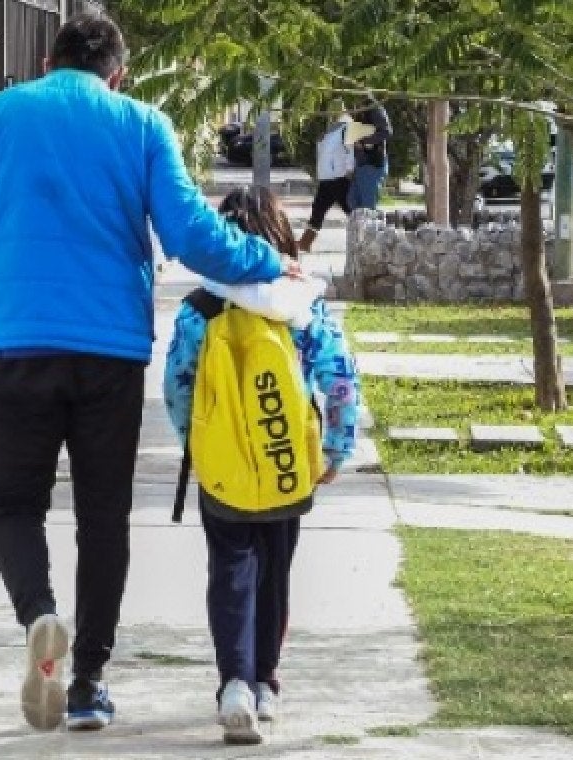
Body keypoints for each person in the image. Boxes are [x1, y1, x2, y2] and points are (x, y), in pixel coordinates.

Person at [0, 12, 292, 732]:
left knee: (15, 503)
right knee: (102, 518)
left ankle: (40, 615)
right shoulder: (142, 123)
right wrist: (268, 260)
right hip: (111, 352)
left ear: (48, 61)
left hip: (18, 346)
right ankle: (87, 684)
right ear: (118, 74)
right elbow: (189, 233)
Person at [163, 186, 360, 745]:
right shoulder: (302, 304)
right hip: (286, 460)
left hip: (224, 463)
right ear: (280, 236)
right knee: (275, 567)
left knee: (230, 567)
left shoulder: (202, 307)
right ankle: (267, 682)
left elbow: (178, 384)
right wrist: (336, 449)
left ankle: (234, 685)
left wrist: (196, 443)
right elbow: (340, 378)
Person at [299, 103, 355, 253]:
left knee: (349, 209)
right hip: (327, 176)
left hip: (338, 175)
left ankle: (365, 237)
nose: (331, 112)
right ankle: (306, 242)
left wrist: (349, 169)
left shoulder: (347, 126)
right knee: (318, 208)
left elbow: (349, 148)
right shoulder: (332, 127)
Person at [347, 98, 393, 210]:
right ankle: (360, 227)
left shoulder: (375, 109)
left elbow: (386, 132)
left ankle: (369, 226)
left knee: (367, 207)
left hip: (372, 165)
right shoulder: (362, 110)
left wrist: (363, 142)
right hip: (361, 166)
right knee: (352, 201)